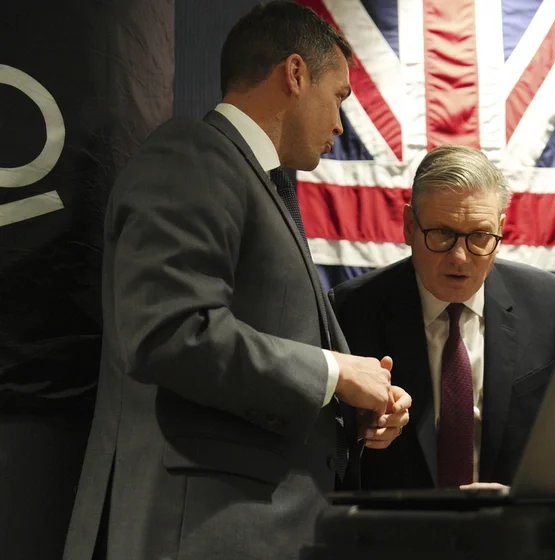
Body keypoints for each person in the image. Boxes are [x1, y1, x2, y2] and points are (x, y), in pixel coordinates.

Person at [62, 3, 410, 559]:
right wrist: (334, 372)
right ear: (295, 73)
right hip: (200, 532)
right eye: (339, 97)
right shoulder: (192, 153)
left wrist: (355, 410)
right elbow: (170, 331)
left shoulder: (256, 181)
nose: (340, 125)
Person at [330, 145, 555, 490]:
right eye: (442, 234)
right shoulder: (351, 309)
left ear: (501, 229)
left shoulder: (547, 302)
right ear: (409, 226)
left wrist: (524, 500)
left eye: (480, 236)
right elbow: (327, 450)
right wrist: (360, 430)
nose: (460, 257)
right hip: (392, 521)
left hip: (512, 519)